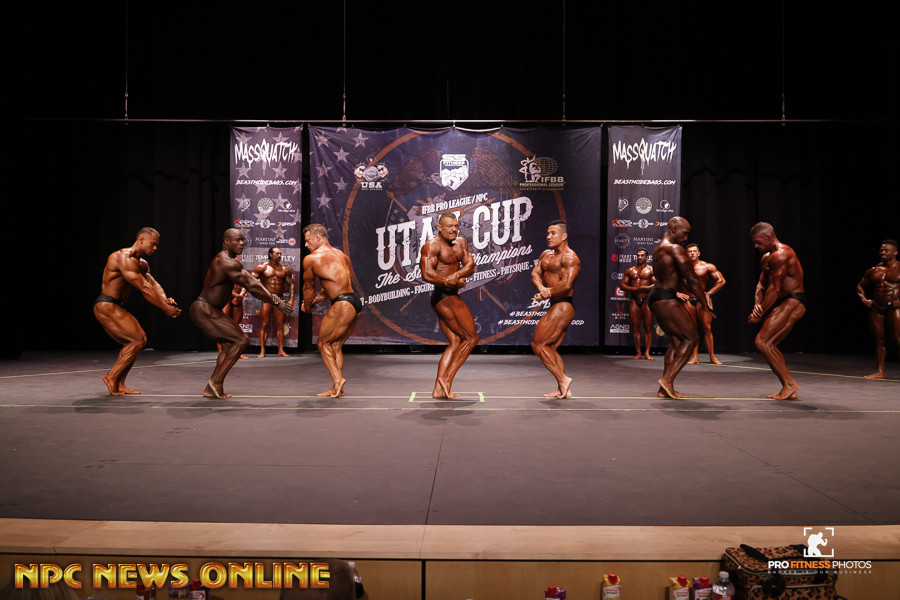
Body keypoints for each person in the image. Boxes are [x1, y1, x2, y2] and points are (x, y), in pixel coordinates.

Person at [189, 228, 292, 399]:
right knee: (241, 340)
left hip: (209, 309)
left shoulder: (231, 261)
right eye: (237, 240)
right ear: (226, 242)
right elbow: (252, 285)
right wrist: (276, 301)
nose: (242, 243)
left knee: (229, 345)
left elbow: (251, 284)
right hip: (204, 309)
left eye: (243, 240)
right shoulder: (225, 262)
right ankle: (215, 383)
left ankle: (212, 387)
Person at [93, 227, 181, 396]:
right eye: (153, 244)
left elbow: (153, 284)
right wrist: (165, 309)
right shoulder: (122, 258)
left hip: (116, 306)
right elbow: (144, 288)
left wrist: (165, 299)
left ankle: (120, 383)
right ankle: (111, 377)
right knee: (137, 340)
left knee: (136, 342)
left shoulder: (142, 264)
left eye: (157, 245)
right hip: (107, 305)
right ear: (141, 239)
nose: (155, 248)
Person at [647, 217, 713, 399]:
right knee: (691, 338)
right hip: (666, 297)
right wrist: (704, 303)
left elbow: (676, 276)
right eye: (684, 233)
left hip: (656, 297)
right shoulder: (675, 248)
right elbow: (692, 279)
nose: (685, 238)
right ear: (674, 228)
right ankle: (667, 381)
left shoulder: (658, 248)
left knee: (677, 342)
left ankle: (664, 389)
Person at [420, 212, 478, 399]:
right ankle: (446, 378)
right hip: (444, 296)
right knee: (471, 338)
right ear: (439, 227)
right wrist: (448, 282)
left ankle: (438, 390)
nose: (454, 229)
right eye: (449, 226)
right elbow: (427, 274)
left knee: (455, 342)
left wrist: (456, 275)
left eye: (456, 226)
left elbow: (470, 265)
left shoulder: (460, 243)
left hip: (449, 294)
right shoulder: (432, 246)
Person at [300, 224, 362, 398]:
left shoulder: (312, 258)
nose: (306, 245)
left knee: (323, 343)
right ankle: (337, 389)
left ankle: (337, 380)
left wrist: (308, 305)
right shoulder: (342, 255)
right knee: (335, 345)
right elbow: (330, 287)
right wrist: (315, 301)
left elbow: (309, 288)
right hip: (355, 303)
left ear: (318, 238)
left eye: (308, 240)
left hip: (342, 305)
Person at [748, 222, 806, 399]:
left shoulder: (781, 255)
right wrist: (757, 305)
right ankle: (789, 387)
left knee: (762, 342)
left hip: (794, 301)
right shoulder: (767, 258)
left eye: (758, 242)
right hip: (785, 302)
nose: (755, 246)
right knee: (768, 344)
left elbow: (774, 289)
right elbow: (761, 285)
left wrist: (760, 314)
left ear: (768, 237)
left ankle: (790, 384)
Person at [530, 220, 581, 398]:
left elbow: (566, 285)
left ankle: (563, 379)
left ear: (564, 236)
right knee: (550, 347)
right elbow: (535, 273)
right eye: (547, 233)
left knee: (538, 344)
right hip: (555, 303)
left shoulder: (570, 257)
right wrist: (541, 288)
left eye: (553, 233)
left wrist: (547, 294)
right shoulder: (546, 254)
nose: (549, 237)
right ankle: (562, 388)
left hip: (564, 305)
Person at [856, 239, 900, 379]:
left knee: (898, 339)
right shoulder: (874, 270)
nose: (883, 252)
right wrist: (865, 300)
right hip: (877, 307)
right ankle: (880, 372)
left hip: (895, 307)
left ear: (895, 252)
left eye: (886, 250)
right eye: (881, 250)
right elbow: (860, 286)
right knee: (880, 340)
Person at [677, 243, 726, 365]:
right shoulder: (681, 268)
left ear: (698, 253)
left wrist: (709, 293)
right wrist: (677, 293)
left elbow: (721, 281)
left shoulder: (707, 266)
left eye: (694, 251)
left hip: (701, 300)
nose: (692, 253)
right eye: (689, 252)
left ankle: (712, 357)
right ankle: (694, 357)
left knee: (707, 327)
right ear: (686, 254)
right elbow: (668, 281)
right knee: (692, 329)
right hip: (688, 299)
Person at [252, 247, 295, 357]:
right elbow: (251, 281)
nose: (279, 255)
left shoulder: (285, 269)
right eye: (277, 253)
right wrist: (260, 293)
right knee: (264, 324)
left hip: (280, 299)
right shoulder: (262, 267)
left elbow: (291, 284)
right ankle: (262, 350)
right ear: (270, 255)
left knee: (280, 325)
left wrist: (291, 299)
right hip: (267, 299)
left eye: (280, 253)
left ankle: (281, 350)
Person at [619, 247, 655, 360]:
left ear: (647, 257)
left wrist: (646, 288)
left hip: (647, 299)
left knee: (648, 327)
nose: (640, 257)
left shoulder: (651, 270)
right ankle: (638, 352)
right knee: (635, 327)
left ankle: (647, 352)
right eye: (638, 255)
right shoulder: (630, 271)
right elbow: (622, 285)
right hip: (634, 300)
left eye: (642, 255)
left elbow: (657, 284)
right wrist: (632, 289)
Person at [218, 284, 249, 360]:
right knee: (223, 326)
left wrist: (240, 295)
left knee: (236, 327)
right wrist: (237, 296)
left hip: (238, 298)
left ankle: (236, 352)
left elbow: (245, 284)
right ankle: (221, 351)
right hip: (226, 298)